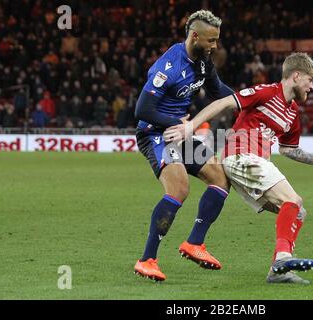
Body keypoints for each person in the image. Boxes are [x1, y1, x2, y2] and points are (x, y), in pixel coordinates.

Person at [164, 52, 313, 284]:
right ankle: (283, 258)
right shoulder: (267, 92)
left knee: (297, 212)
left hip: (255, 163)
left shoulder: (292, 113)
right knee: (293, 200)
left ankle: (277, 272)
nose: (312, 86)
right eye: (310, 80)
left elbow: (289, 149)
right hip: (241, 156)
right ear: (296, 76)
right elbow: (224, 102)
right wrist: (191, 126)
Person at [133, 10, 233, 282]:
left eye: (217, 40)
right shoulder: (167, 67)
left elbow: (218, 91)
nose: (215, 46)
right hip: (155, 133)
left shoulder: (203, 62)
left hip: (180, 132)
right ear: (195, 36)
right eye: (211, 40)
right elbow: (142, 110)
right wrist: (175, 121)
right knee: (179, 189)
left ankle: (194, 244)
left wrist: (247, 99)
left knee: (221, 178)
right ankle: (147, 260)